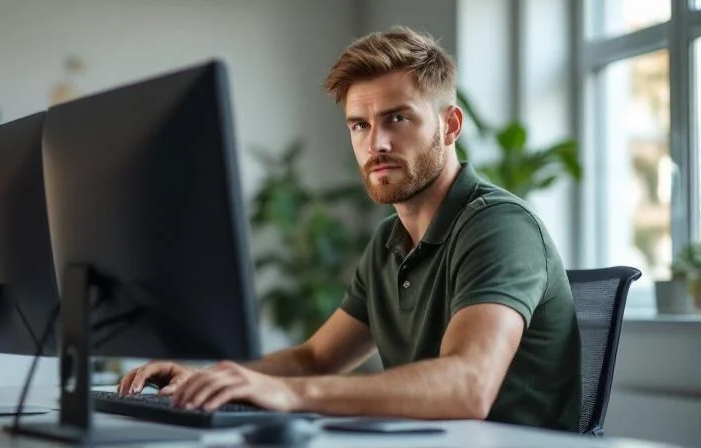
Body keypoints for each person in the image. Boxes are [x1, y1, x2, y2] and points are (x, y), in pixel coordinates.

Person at [118, 26, 582, 432]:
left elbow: (469, 386)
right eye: (359, 125)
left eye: (397, 118)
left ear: (450, 125)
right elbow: (315, 359)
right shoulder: (388, 241)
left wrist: (295, 395)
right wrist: (212, 377)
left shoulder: (498, 226)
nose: (375, 143)